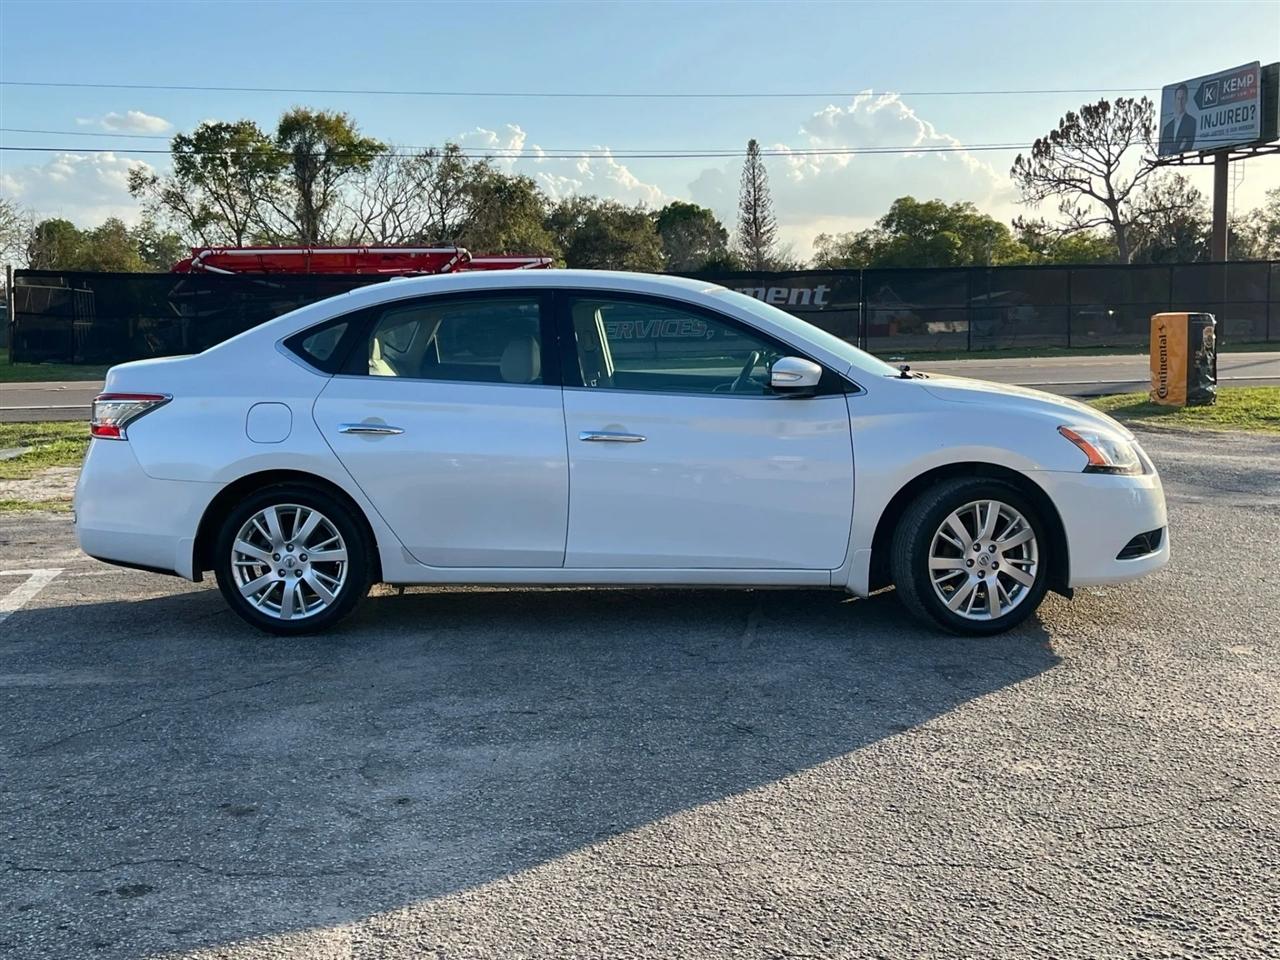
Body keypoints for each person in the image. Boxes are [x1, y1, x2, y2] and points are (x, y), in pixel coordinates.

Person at [1161, 83, 1196, 154]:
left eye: (1182, 98)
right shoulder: (1167, 127)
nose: (1180, 102)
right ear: (1175, 100)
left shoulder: (1191, 122)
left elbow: (1188, 146)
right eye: (1178, 98)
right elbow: (1163, 149)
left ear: (1186, 99)